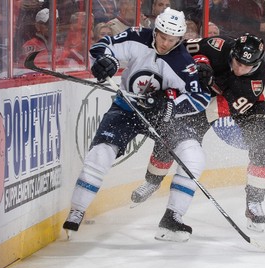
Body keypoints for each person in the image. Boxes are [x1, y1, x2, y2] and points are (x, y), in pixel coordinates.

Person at [62, 8, 211, 242]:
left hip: (162, 117)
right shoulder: (138, 36)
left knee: (194, 157)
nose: (165, 43)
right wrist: (106, 60)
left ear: (180, 38)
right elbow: (102, 47)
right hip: (127, 107)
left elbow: (199, 98)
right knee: (101, 153)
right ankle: (77, 210)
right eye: (162, 36)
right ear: (157, 29)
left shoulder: (184, 63)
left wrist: (169, 103)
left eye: (172, 40)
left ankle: (173, 217)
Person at [132, 33, 265, 232]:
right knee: (173, 133)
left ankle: (254, 203)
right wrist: (202, 62)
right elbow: (182, 48)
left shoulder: (254, 83)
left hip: (245, 104)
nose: (240, 69)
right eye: (237, 62)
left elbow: (219, 108)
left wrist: (181, 107)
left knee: (264, 144)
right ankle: (152, 180)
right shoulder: (218, 46)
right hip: (206, 95)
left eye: (247, 66)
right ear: (232, 52)